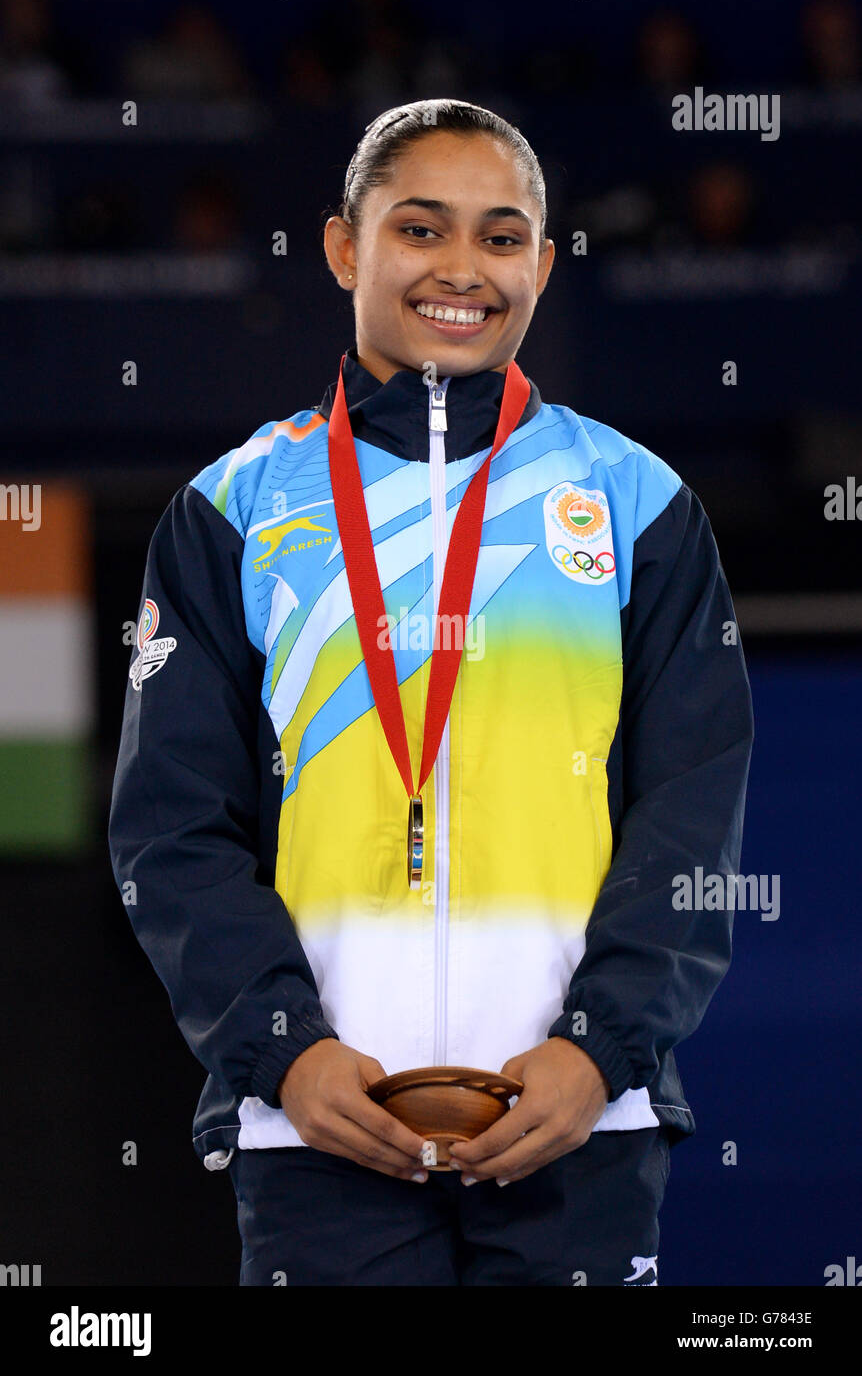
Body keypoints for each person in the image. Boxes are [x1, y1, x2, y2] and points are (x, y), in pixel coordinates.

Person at [108, 98, 755, 1287]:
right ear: (346, 247)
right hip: (318, 1127)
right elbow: (171, 828)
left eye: (502, 238)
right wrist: (284, 1054)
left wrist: (599, 1050)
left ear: (545, 266)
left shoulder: (634, 502)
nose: (462, 268)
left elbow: (691, 816)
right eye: (420, 228)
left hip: (572, 1127)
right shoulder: (234, 509)